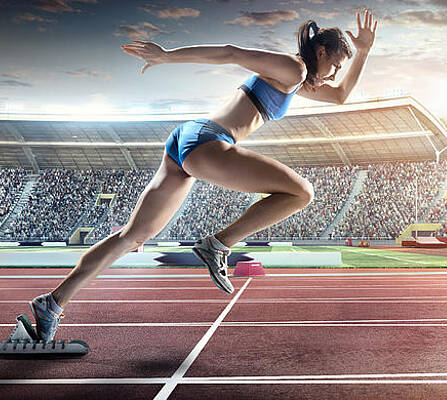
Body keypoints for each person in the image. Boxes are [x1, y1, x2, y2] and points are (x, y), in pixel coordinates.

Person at [29, 11, 379, 340]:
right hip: (209, 141)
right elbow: (231, 53)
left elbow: (341, 96)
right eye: (335, 64)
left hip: (186, 141)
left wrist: (361, 51)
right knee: (302, 193)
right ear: (320, 51)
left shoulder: (296, 78)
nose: (335, 74)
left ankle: (53, 303)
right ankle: (217, 245)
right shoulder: (294, 68)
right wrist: (167, 56)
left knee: (132, 237)